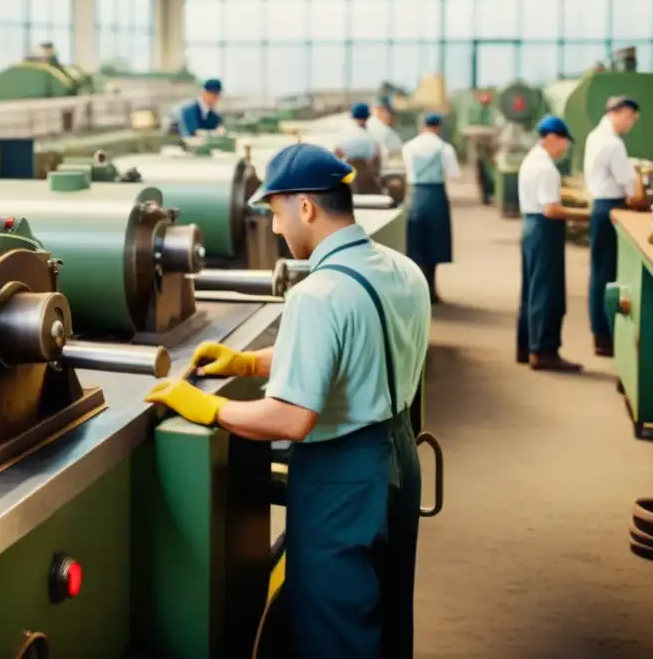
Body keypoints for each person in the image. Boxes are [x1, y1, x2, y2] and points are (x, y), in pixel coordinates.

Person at [145, 142, 430, 658]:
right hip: (399, 459)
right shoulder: (402, 270)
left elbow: (292, 418)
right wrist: (250, 362)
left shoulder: (316, 294)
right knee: (387, 613)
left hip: (341, 480)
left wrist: (210, 408)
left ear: (305, 207)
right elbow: (356, 344)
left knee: (335, 628)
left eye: (276, 213)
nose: (275, 229)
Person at [516, 116, 585, 373]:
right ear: (552, 138)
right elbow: (552, 210)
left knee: (531, 290)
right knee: (547, 291)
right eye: (564, 142)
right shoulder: (546, 168)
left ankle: (526, 347)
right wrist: (586, 214)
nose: (565, 148)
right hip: (544, 231)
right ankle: (544, 351)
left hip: (530, 228)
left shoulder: (531, 159)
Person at [583, 96, 642, 358]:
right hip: (612, 209)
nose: (631, 123)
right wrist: (640, 178)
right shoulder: (612, 144)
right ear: (617, 113)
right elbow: (631, 190)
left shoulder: (596, 136)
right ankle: (607, 334)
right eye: (630, 117)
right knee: (608, 274)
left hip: (600, 207)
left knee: (599, 273)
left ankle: (600, 333)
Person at [401, 112, 461, 303]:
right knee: (435, 245)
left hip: (416, 195)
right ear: (439, 127)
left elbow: (407, 170)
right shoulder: (444, 148)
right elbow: (454, 174)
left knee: (416, 244)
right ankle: (432, 289)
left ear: (422, 126)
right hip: (436, 196)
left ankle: (417, 290)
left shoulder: (409, 147)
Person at [333, 102, 387, 195]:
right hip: (368, 183)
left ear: (353, 117)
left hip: (348, 183)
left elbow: (335, 156)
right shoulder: (373, 137)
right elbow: (377, 160)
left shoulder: (343, 136)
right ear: (367, 118)